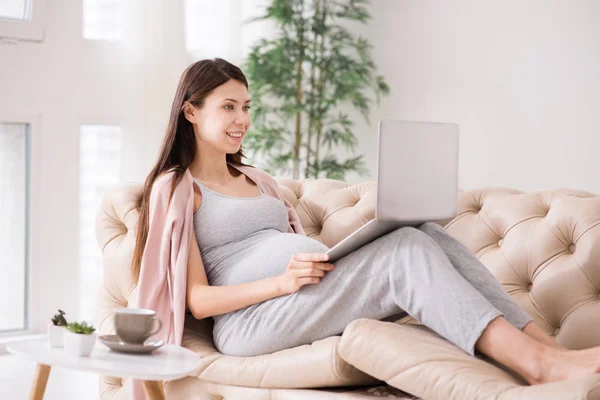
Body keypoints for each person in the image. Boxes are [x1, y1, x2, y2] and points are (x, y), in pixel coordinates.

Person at [134, 58, 600, 386]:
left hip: (303, 297)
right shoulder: (176, 188)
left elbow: (286, 244)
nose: (243, 120)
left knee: (422, 231)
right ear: (191, 111)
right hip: (248, 322)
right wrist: (282, 281)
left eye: (247, 107)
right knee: (404, 251)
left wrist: (323, 260)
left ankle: (549, 351)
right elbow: (197, 300)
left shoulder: (259, 179)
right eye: (229, 107)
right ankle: (537, 367)